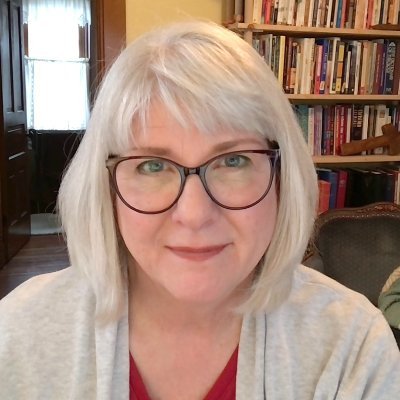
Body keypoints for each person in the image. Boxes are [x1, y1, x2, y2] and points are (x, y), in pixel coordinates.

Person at [0, 20, 399, 400]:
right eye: (152, 166)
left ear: (283, 178)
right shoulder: (19, 333)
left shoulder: (352, 346)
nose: (194, 214)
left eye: (233, 161)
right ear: (105, 188)